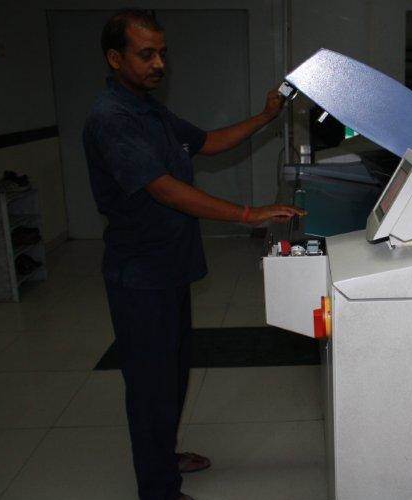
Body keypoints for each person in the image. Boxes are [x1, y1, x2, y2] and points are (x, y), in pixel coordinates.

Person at [82, 9, 304, 500]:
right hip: (140, 275)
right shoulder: (111, 119)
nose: (159, 63)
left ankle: (162, 455)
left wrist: (267, 115)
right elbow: (165, 190)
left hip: (169, 266)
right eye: (146, 54)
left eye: (162, 52)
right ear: (115, 58)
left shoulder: (150, 109)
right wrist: (250, 214)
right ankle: (158, 488)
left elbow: (207, 142)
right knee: (150, 385)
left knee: (173, 373)